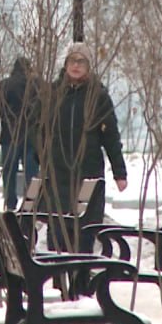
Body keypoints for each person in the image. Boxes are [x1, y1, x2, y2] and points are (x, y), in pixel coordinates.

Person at [34, 42, 127, 252]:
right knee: (57, 233)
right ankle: (59, 273)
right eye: (72, 61)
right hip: (58, 174)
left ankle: (82, 271)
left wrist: (119, 172)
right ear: (65, 64)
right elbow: (37, 128)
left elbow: (111, 136)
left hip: (88, 173)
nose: (76, 66)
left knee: (84, 232)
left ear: (88, 66)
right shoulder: (52, 94)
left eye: (81, 61)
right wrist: (42, 156)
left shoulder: (98, 96)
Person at [0, 56, 40, 209]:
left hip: (10, 136)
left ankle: (10, 204)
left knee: (9, 172)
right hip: (32, 137)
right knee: (31, 173)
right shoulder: (38, 85)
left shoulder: (5, 85)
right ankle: (31, 206)